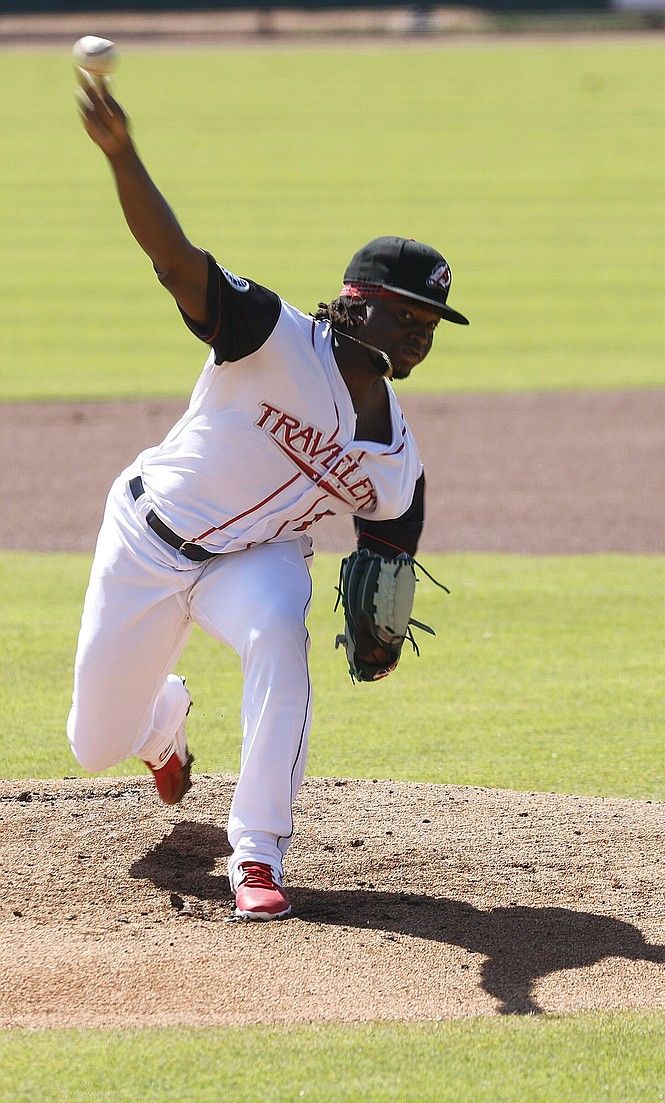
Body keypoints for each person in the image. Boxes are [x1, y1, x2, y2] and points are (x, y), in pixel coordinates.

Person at [67, 74, 469, 920]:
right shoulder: (268, 333)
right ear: (356, 306)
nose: (420, 334)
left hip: (255, 562)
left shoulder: (398, 460)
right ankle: (160, 722)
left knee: (282, 639)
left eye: (431, 324)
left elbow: (394, 552)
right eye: (407, 315)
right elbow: (174, 261)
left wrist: (386, 635)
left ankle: (255, 852)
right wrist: (122, 154)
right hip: (149, 536)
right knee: (92, 742)